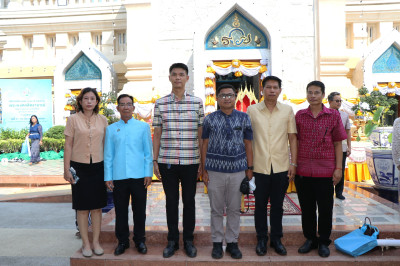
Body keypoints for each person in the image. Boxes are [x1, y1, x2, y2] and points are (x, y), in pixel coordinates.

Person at [152, 63, 204, 258]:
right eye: (174, 75)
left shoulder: (197, 103)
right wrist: (155, 161)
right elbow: (157, 133)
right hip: (168, 161)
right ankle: (172, 240)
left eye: (181, 75)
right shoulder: (160, 103)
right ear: (169, 78)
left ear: (187, 78)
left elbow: (201, 135)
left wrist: (202, 162)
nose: (178, 78)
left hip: (191, 161)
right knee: (171, 202)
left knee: (189, 202)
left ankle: (189, 241)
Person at [295, 81, 347, 258]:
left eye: (316, 92)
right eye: (310, 92)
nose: (313, 95)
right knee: (307, 209)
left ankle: (324, 241)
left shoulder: (333, 115)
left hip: (325, 171)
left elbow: (338, 143)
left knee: (325, 209)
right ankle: (310, 239)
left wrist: (339, 168)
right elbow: (295, 141)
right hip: (303, 171)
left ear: (323, 95)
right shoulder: (300, 115)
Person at [246, 76, 297, 256]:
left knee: (277, 205)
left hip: (281, 166)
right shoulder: (251, 110)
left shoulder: (287, 110)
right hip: (259, 167)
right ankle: (261, 239)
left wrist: (293, 163)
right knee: (259, 205)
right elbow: (247, 140)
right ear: (262, 90)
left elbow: (292, 137)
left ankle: (276, 238)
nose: (272, 90)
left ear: (280, 90)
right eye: (268, 87)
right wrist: (248, 166)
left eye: (275, 87)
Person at [201, 84, 253, 260]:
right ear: (217, 98)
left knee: (234, 209)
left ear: (235, 97)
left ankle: (232, 243)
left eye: (230, 95)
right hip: (214, 171)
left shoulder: (244, 118)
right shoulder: (209, 119)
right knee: (216, 209)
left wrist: (249, 169)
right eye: (223, 96)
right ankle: (217, 243)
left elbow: (248, 144)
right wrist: (204, 169)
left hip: (238, 171)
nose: (226, 98)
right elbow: (204, 144)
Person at [104, 94, 153, 256]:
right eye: (122, 104)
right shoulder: (111, 129)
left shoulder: (142, 127)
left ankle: (140, 240)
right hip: (119, 177)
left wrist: (148, 173)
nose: (126, 107)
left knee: (139, 210)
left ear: (133, 107)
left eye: (129, 104)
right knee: (121, 210)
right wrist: (108, 176)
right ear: (118, 108)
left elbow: (148, 152)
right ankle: (123, 241)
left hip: (139, 176)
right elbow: (108, 155)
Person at [64, 87, 108, 258]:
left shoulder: (103, 120)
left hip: (98, 166)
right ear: (80, 101)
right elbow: (68, 145)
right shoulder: (73, 120)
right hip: (78, 167)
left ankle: (96, 242)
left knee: (97, 208)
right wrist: (66, 169)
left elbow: (106, 146)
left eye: (92, 99)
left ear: (97, 102)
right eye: (86, 98)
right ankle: (85, 244)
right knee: (82, 208)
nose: (89, 101)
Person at [328, 92, 351, 200]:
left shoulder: (345, 115)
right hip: (328, 147)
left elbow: (348, 132)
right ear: (330, 101)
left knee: (340, 168)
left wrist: (349, 146)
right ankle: (328, 190)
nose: (339, 103)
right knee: (329, 169)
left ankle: (339, 192)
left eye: (340, 101)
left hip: (341, 147)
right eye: (337, 101)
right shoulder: (325, 114)